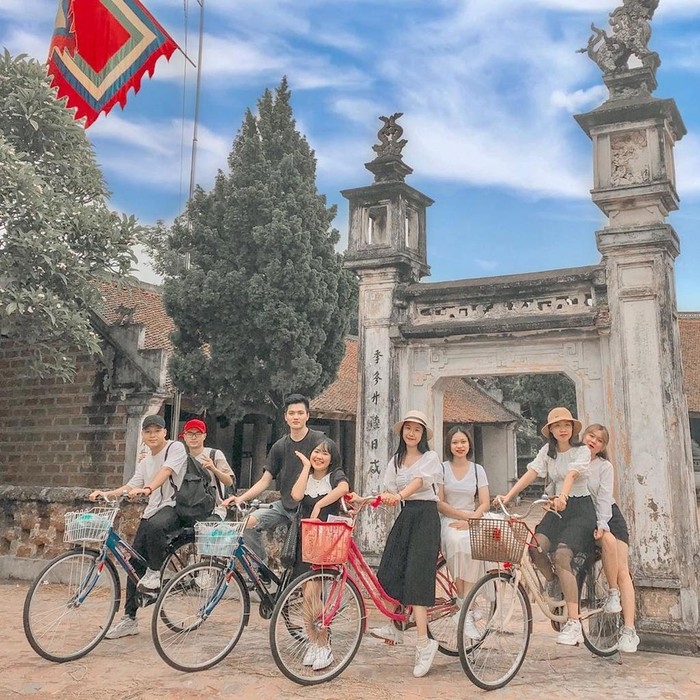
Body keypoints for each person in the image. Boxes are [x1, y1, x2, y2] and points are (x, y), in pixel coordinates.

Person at [495, 407, 596, 646]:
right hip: (555, 508)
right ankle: (554, 583)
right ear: (550, 430)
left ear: (572, 429)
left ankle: (573, 622)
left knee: (562, 556)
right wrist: (508, 496)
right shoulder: (547, 452)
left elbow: (571, 475)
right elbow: (531, 473)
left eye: (567, 425)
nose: (563, 429)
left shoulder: (582, 451)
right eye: (557, 425)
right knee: (534, 546)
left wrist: (563, 496)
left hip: (579, 509)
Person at [89, 414, 187, 639]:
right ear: (143, 435)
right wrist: (106, 493)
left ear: (165, 432)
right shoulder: (145, 461)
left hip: (176, 507)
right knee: (133, 563)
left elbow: (166, 472)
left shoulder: (175, 448)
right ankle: (129, 619)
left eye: (156, 431)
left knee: (155, 526)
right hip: (153, 511)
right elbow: (131, 485)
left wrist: (149, 489)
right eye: (148, 431)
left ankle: (154, 573)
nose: (152, 435)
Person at [368, 409, 443, 678]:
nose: (411, 433)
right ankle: (395, 626)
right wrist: (364, 500)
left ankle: (424, 643)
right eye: (408, 428)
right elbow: (388, 490)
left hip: (425, 516)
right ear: (402, 432)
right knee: (388, 568)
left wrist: (399, 494)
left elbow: (419, 482)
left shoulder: (430, 458)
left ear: (423, 435)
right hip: (407, 515)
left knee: (416, 577)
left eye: (417, 429)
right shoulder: (396, 459)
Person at [222, 394, 325, 572]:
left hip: (309, 507)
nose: (296, 417)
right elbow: (265, 481)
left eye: (300, 413)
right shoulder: (280, 446)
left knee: (304, 561)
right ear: (285, 416)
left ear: (308, 415)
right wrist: (240, 498)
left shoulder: (319, 442)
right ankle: (262, 569)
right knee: (248, 523)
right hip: (285, 505)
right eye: (291, 413)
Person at [290, 438, 350, 671]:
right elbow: (296, 495)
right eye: (316, 452)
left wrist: (318, 505)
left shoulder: (335, 476)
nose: (319, 456)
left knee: (314, 594)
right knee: (308, 596)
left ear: (332, 458)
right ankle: (314, 642)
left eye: (325, 453)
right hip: (305, 540)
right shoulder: (308, 475)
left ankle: (324, 645)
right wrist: (305, 467)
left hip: (325, 540)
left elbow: (344, 488)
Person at [583, 423, 639, 653]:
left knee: (622, 571)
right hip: (585, 520)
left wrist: (602, 524)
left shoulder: (604, 467)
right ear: (583, 436)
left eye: (599, 440)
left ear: (603, 447)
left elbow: (605, 499)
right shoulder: (573, 461)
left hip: (609, 518)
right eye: (590, 436)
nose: (593, 441)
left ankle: (629, 629)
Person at [436, 425, 490, 638]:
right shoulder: (442, 468)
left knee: (474, 544)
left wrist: (471, 519)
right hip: (450, 518)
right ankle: (465, 606)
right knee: (458, 544)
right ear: (449, 445)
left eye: (463, 442)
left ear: (469, 444)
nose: (460, 446)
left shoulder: (478, 470)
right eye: (455, 442)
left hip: (473, 518)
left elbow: (485, 502)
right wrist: (463, 517)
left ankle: (466, 604)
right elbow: (439, 503)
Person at [181, 418, 235, 520]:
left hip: (215, 509)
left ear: (204, 436)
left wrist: (214, 469)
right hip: (188, 510)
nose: (193, 437)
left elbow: (229, 481)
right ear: (184, 436)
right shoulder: (181, 458)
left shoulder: (214, 455)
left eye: (197, 433)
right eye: (190, 433)